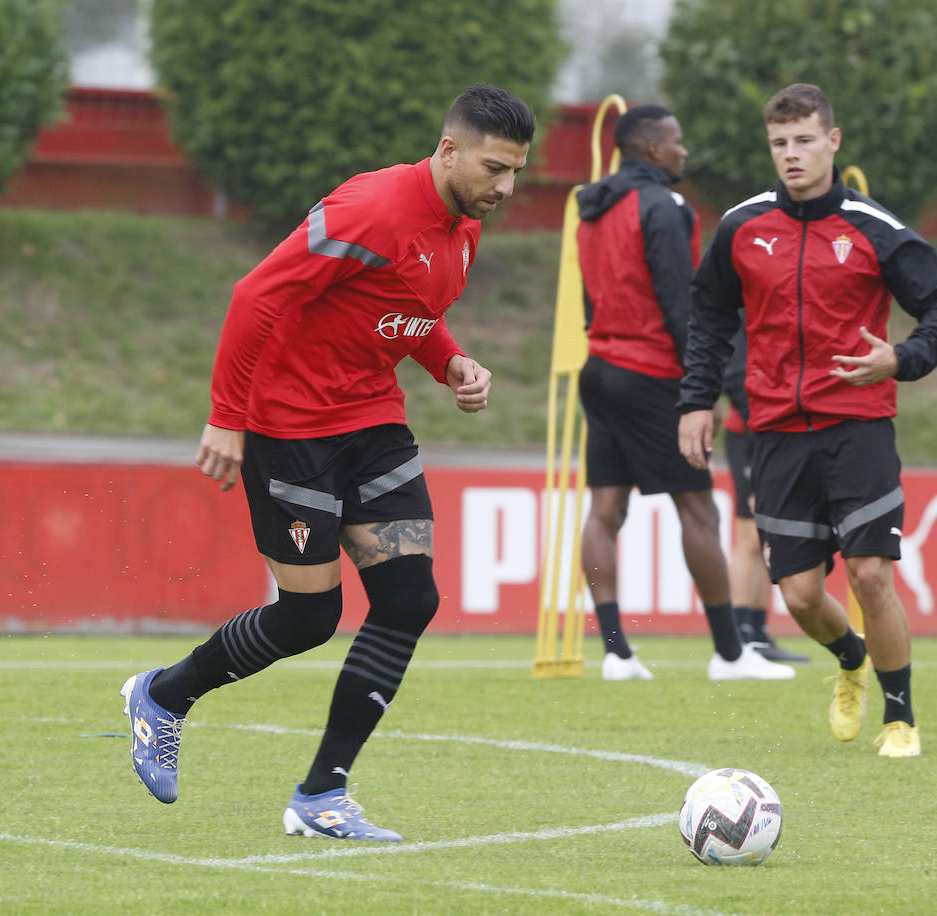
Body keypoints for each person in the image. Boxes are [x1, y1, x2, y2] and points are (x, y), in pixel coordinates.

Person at [120, 84, 535, 840]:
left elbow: (411, 314)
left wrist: (450, 363)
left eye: (515, 172)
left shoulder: (464, 226)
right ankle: (165, 695)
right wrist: (226, 417)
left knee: (409, 599)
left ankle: (321, 795)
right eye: (494, 168)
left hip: (373, 425)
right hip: (291, 430)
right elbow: (256, 296)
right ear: (449, 150)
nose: (505, 187)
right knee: (310, 618)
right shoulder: (369, 209)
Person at [676, 83, 937, 757]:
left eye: (804, 140)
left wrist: (901, 358)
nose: (792, 154)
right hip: (776, 431)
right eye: (779, 143)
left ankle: (900, 719)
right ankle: (850, 658)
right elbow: (709, 317)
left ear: (832, 141)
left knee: (869, 575)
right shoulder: (742, 227)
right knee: (802, 596)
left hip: (858, 426)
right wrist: (695, 401)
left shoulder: (875, 228)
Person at [575, 104, 793, 683]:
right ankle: (730, 654)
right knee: (697, 508)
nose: (683, 151)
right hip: (651, 373)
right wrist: (707, 386)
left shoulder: (590, 207)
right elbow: (683, 305)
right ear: (652, 149)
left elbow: (590, 298)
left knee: (605, 509)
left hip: (599, 367)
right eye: (676, 141)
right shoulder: (665, 206)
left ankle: (616, 653)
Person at [721, 326, 811, 663]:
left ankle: (758, 634)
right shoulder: (748, 314)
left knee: (765, 537)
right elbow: (736, 371)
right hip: (750, 432)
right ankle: (740, 633)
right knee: (748, 535)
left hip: (777, 430)